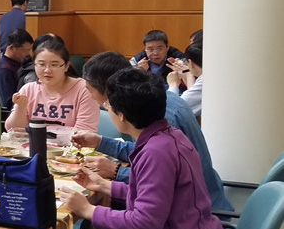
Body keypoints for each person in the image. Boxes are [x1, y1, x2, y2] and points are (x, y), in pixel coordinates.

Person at [53, 69, 230, 229]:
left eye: (109, 106)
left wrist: (89, 210)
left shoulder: (156, 152)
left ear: (122, 116)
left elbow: (145, 222)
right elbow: (155, 196)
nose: (106, 110)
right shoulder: (167, 136)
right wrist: (105, 186)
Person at [71, 51, 230, 211]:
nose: (90, 97)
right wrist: (100, 142)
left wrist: (117, 172)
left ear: (111, 89)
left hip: (194, 211)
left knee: (99, 218)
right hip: (189, 206)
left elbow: (161, 181)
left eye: (90, 90)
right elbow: (146, 155)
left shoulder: (162, 118)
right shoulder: (155, 101)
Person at [5, 36, 98, 133]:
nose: (47, 70)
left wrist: (40, 135)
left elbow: (83, 133)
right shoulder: (28, 89)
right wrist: (21, 107)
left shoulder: (84, 89)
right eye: (41, 64)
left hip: (70, 147)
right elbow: (12, 130)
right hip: (32, 146)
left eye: (54, 65)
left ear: (66, 66)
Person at [0, 28, 34, 110]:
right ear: (11, 47)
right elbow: (9, 103)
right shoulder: (4, 71)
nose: (27, 54)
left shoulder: (20, 62)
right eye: (25, 51)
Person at [167, 43, 203, 118]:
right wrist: (188, 75)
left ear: (190, 63)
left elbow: (174, 109)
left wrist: (173, 84)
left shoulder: (204, 81)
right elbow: (193, 98)